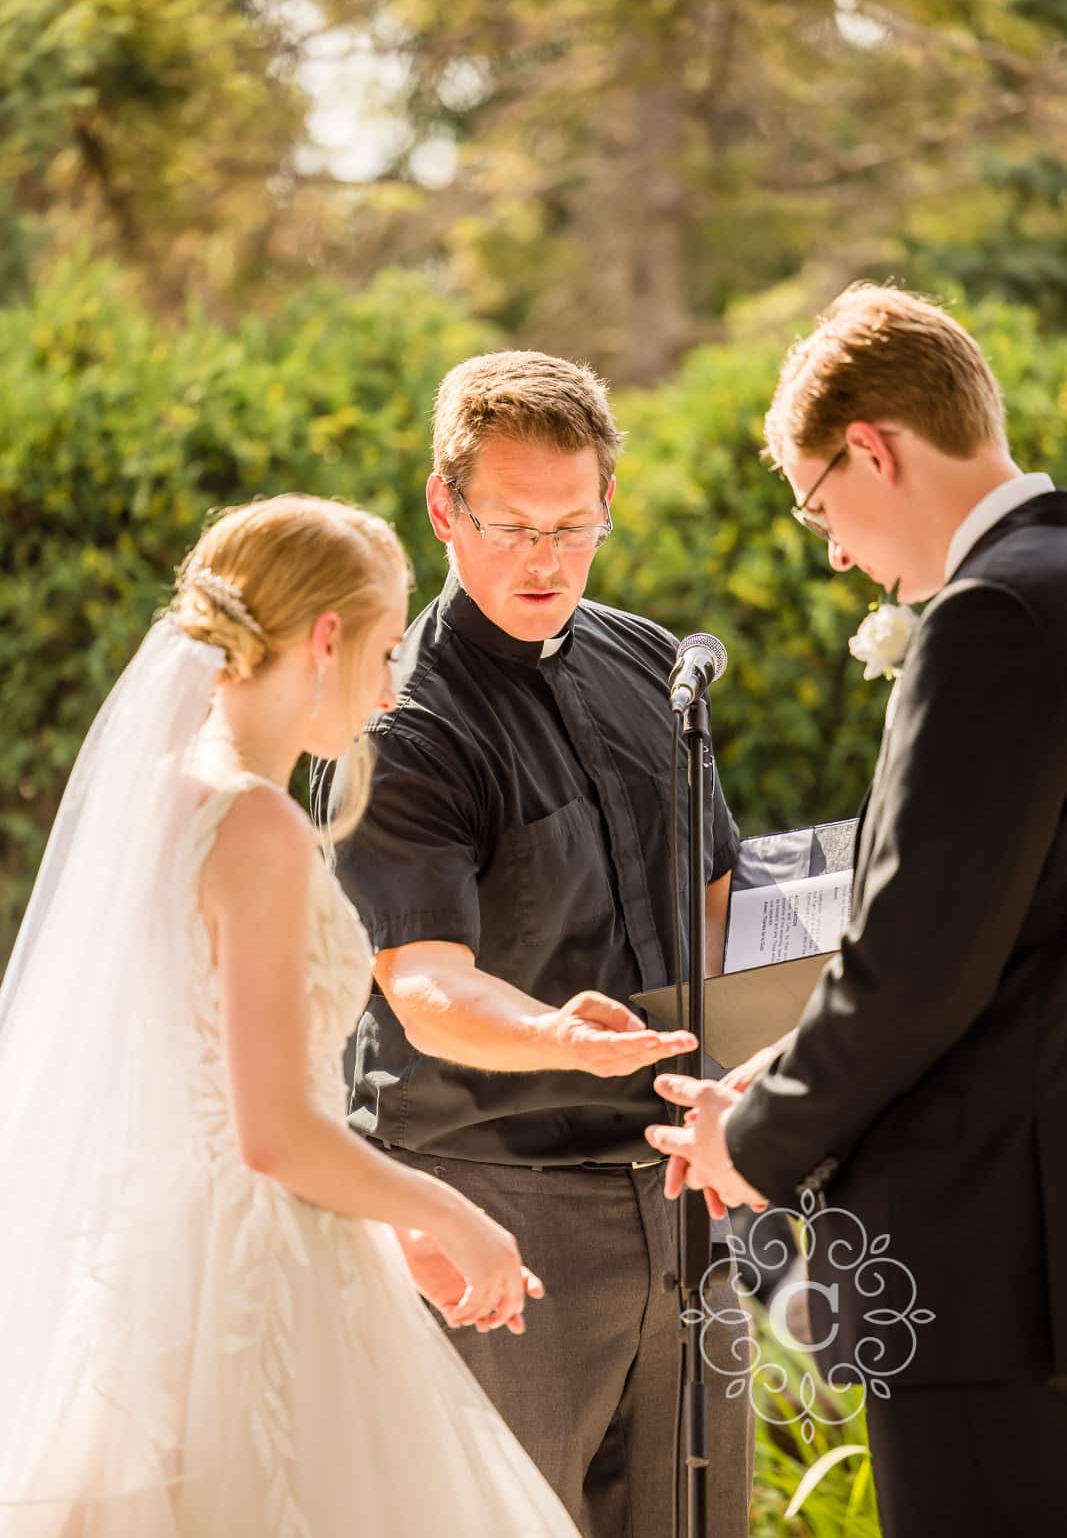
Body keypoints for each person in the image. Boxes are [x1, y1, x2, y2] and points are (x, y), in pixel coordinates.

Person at [0, 493, 586, 1536]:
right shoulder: (254, 821)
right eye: (383, 652)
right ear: (326, 637)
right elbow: (272, 1131)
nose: (388, 686)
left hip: (178, 1270)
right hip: (262, 1290)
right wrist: (446, 1213)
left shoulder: (179, 800)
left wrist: (380, 1233)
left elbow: (210, 1107)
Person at [644, 284, 1067, 1537]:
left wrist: (748, 1132)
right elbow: (1008, 932)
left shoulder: (990, 618)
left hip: (999, 1249)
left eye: (818, 502)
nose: (830, 547)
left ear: (871, 449)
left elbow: (921, 967)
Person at [328, 351, 753, 1538]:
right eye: (512, 526)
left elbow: (716, 889)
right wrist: (559, 1035)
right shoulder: (400, 722)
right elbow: (423, 985)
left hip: (680, 1196)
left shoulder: (648, 664)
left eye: (575, 526)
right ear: (442, 508)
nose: (546, 560)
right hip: (497, 1213)